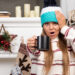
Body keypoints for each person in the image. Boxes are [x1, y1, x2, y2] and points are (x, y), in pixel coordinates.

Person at [27, 7, 75, 75]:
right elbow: (34, 55)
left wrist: (64, 28)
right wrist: (32, 47)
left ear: (60, 24)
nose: (51, 28)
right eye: (46, 24)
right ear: (43, 26)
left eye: (55, 23)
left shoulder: (69, 40)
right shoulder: (40, 42)